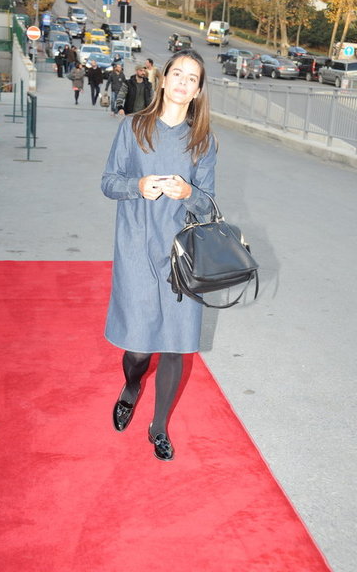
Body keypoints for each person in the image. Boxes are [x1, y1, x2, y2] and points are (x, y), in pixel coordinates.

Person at [101, 49, 217, 461]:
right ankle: (132, 385)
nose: (183, 82)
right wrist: (137, 186)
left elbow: (209, 205)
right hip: (136, 245)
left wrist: (189, 193)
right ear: (163, 79)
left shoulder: (203, 140)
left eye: (192, 78)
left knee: (174, 345)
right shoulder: (133, 127)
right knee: (138, 347)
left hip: (181, 254)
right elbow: (109, 182)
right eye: (178, 74)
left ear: (198, 90)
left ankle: (159, 426)